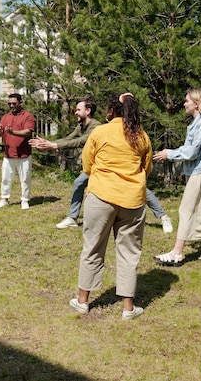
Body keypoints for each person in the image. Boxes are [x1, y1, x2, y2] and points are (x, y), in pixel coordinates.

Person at [30, 97, 173, 233]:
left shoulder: (96, 127)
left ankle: (163, 216)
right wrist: (48, 143)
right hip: (95, 166)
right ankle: (73, 217)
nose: (75, 112)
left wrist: (53, 145)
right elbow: (69, 139)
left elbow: (79, 142)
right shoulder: (82, 126)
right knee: (79, 182)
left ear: (88, 111)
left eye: (78, 109)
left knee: (140, 188)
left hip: (108, 167)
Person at [70, 92, 151, 320]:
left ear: (111, 111)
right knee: (129, 254)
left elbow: (87, 164)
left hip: (101, 197)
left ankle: (82, 301)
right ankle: (128, 309)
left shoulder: (100, 131)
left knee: (93, 248)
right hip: (133, 201)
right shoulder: (141, 136)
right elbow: (147, 167)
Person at [153, 88, 201, 266]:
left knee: (187, 211)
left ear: (197, 103)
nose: (184, 104)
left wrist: (169, 153)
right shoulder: (199, 124)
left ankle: (177, 253)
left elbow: (191, 152)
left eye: (187, 101)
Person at [0, 93, 35, 210]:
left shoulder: (27, 116)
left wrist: (13, 132)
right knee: (6, 178)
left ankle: (25, 200)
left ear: (20, 103)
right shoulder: (5, 117)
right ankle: (4, 199)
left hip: (24, 154)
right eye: (9, 104)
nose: (11, 106)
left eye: (14, 103)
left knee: (25, 178)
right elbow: (2, 132)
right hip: (8, 153)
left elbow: (28, 132)